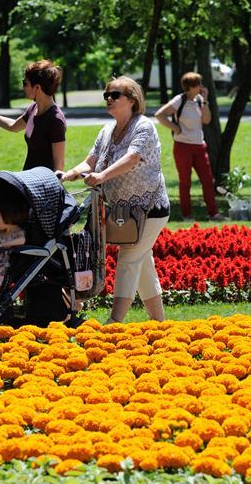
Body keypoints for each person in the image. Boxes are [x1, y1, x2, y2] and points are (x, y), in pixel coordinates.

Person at [61, 76, 170, 324]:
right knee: (142, 264)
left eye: (115, 95)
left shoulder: (144, 126)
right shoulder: (107, 130)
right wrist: (71, 174)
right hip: (124, 211)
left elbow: (132, 158)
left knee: (129, 257)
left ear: (132, 100)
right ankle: (160, 323)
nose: (109, 99)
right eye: (106, 95)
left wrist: (101, 176)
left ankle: (115, 322)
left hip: (150, 208)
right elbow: (90, 161)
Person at [0, 60, 66, 172]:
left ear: (37, 87)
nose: (23, 87)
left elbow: (59, 166)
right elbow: (13, 126)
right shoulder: (33, 109)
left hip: (42, 185)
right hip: (28, 179)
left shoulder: (55, 119)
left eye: (25, 83)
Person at [155, 72, 224, 222]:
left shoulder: (200, 100)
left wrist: (205, 101)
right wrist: (175, 128)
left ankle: (214, 213)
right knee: (185, 182)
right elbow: (159, 114)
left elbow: (207, 120)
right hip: (182, 146)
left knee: (207, 180)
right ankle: (187, 215)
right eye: (199, 84)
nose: (201, 87)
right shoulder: (179, 100)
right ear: (191, 86)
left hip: (199, 146)